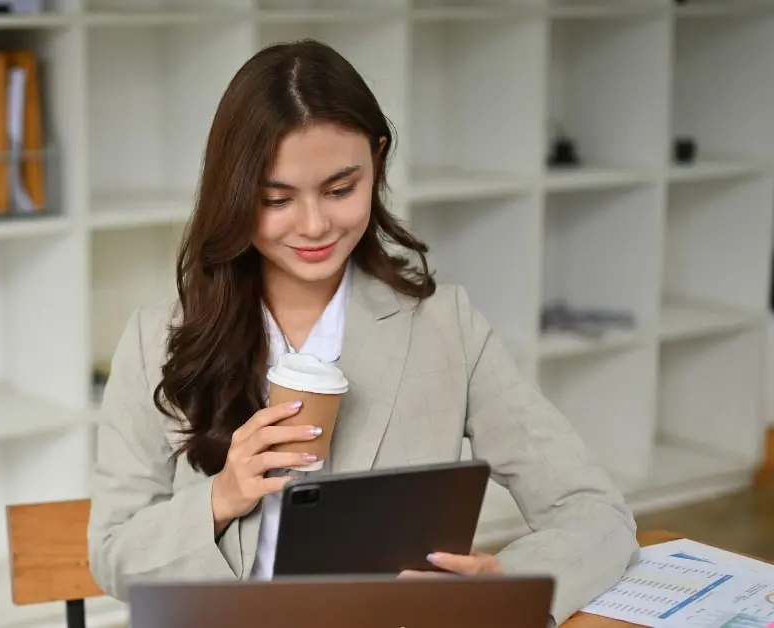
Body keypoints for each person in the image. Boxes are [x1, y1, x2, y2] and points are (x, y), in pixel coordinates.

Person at [86, 38, 637, 625]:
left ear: (376, 159)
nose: (315, 224)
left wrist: (507, 585)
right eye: (277, 199)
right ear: (236, 192)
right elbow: (113, 552)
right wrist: (222, 497)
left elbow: (593, 511)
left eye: (340, 189)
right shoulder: (158, 338)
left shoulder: (445, 327)